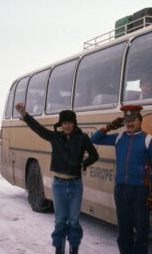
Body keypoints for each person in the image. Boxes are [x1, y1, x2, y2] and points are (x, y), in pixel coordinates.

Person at [15, 103, 99, 254]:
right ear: (61, 124)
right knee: (60, 220)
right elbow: (38, 129)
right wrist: (25, 115)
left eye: (69, 122)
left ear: (74, 123)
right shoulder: (55, 137)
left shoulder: (82, 138)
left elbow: (94, 155)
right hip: (59, 184)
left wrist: (83, 164)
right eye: (64, 123)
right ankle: (59, 250)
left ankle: (74, 249)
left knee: (73, 221)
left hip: (75, 185)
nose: (66, 126)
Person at [91, 105, 152, 254]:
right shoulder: (119, 137)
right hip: (121, 189)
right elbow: (95, 138)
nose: (129, 123)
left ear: (140, 121)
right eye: (127, 120)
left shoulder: (148, 140)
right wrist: (109, 126)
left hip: (140, 190)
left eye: (133, 120)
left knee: (142, 229)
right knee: (124, 229)